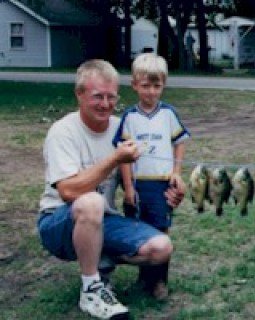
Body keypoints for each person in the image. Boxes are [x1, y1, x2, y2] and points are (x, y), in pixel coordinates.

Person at [37, 59, 185, 319]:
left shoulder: (125, 126)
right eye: (97, 97)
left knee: (161, 247)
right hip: (58, 223)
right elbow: (69, 192)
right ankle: (92, 290)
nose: (105, 104)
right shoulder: (63, 131)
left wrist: (172, 187)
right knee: (91, 201)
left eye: (111, 97)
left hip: (102, 219)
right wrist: (114, 159)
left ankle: (101, 263)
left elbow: (152, 168)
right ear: (79, 94)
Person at [113, 53, 190, 299]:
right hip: (137, 185)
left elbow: (180, 142)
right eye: (145, 86)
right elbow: (122, 154)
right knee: (139, 232)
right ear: (134, 85)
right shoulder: (130, 117)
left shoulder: (168, 114)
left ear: (163, 85)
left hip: (160, 185)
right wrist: (128, 188)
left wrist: (176, 172)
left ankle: (159, 281)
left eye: (157, 86)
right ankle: (143, 278)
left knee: (160, 231)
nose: (151, 92)